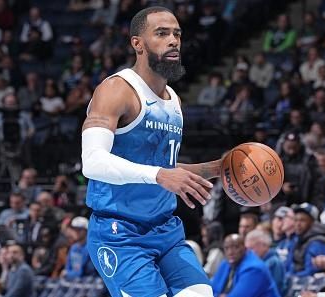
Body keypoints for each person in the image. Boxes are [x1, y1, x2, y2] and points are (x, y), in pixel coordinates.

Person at [82, 6, 223, 297]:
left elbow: (164, 169)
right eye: (161, 33)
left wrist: (218, 167)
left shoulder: (174, 101)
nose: (173, 40)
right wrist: (159, 175)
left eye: (177, 33)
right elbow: (92, 162)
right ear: (138, 43)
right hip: (119, 232)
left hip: (166, 231)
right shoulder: (116, 90)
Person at [211, 234, 280, 297]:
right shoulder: (226, 263)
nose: (230, 252)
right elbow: (211, 289)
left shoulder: (255, 269)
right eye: (226, 248)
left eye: (236, 247)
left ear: (245, 248)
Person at [245, 229, 286, 296]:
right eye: (247, 249)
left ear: (264, 246)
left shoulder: (274, 263)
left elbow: (275, 289)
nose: (248, 253)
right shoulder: (253, 263)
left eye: (251, 248)